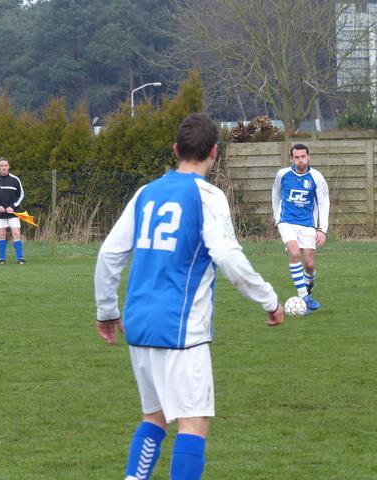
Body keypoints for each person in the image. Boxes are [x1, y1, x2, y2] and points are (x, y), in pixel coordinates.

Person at [94, 113, 284, 480]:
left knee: (155, 416)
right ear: (215, 151)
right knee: (193, 422)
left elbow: (109, 254)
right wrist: (269, 299)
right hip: (181, 328)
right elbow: (228, 257)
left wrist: (106, 311)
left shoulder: (145, 192)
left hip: (138, 323)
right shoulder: (208, 196)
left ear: (176, 149)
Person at [272, 144, 330, 314]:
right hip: (287, 221)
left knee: (310, 265)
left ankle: (306, 300)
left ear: (308, 157)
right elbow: (275, 193)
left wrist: (322, 229)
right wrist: (277, 216)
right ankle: (303, 296)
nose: (300, 160)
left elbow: (324, 203)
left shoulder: (316, 177)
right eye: (296, 157)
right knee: (295, 253)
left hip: (307, 224)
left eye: (303, 157)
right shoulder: (282, 175)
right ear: (292, 159)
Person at [0, 157, 26, 264]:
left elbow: (21, 195)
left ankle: (20, 259)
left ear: (9, 167)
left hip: (13, 213)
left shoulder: (15, 179)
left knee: (16, 234)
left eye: (5, 165)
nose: (4, 168)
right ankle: (2, 259)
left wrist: (13, 206)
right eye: (1, 166)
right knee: (2, 235)